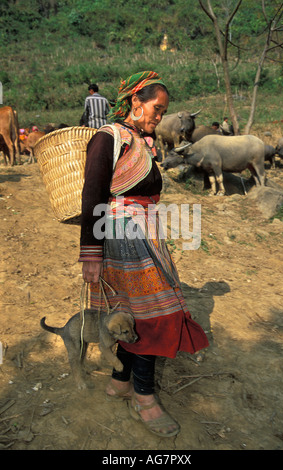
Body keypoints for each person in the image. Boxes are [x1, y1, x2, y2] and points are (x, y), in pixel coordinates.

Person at [79, 71, 209, 438]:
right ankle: (144, 398)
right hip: (120, 235)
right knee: (151, 317)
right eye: (156, 108)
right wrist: (90, 252)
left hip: (143, 232)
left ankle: (121, 379)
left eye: (163, 110)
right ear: (136, 102)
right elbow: (92, 197)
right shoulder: (109, 137)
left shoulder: (140, 139)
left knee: (129, 314)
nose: (159, 115)